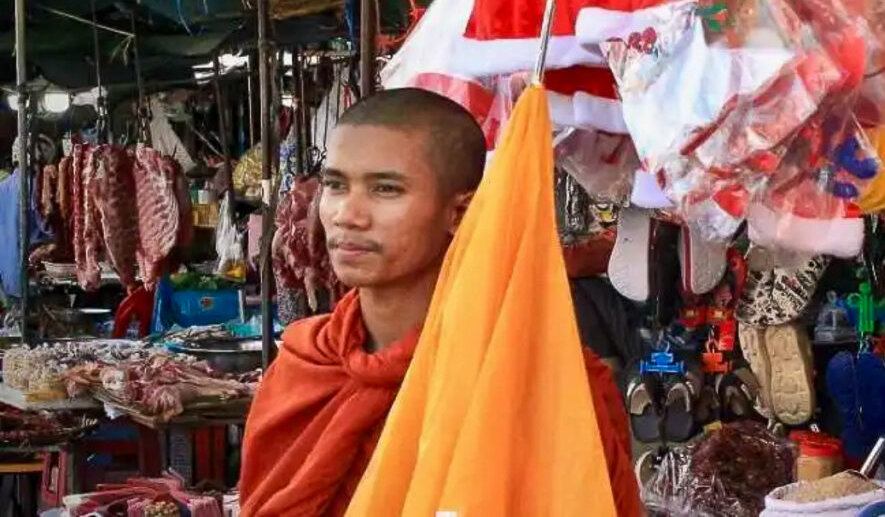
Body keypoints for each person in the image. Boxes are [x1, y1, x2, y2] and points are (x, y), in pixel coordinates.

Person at [238, 88, 642, 516]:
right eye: (336, 185)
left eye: (386, 189)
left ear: (459, 213)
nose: (347, 215)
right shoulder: (305, 363)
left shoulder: (534, 379)